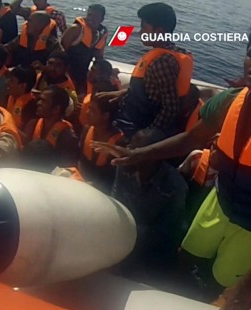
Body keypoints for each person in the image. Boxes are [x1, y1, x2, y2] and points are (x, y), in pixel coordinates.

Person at [93, 21, 251, 310]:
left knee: (219, 283)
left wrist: (249, 285)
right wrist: (137, 154)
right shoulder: (228, 101)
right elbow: (191, 139)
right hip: (218, 202)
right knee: (184, 260)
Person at [112, 128, 188, 285]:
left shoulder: (175, 186)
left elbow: (165, 234)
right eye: (129, 146)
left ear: (153, 157)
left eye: (135, 151)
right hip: (122, 244)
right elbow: (116, 200)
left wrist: (126, 231)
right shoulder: (124, 167)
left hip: (152, 261)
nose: (128, 153)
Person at [108, 2, 194, 139]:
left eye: (143, 27)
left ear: (159, 31)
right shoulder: (169, 53)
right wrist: (121, 94)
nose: (140, 31)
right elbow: (152, 92)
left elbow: (171, 107)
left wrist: (147, 135)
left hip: (138, 128)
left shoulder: (161, 62)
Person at [79, 93, 123, 194]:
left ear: (105, 116)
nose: (87, 112)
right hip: (82, 187)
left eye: (92, 110)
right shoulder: (86, 129)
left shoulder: (119, 142)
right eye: (88, 108)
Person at [24, 85, 78, 167]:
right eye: (40, 99)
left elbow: (67, 169)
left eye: (44, 101)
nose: (38, 103)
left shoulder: (68, 137)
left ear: (56, 109)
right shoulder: (32, 124)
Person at [60, 4, 107, 94]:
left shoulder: (101, 34)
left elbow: (99, 58)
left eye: (95, 16)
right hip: (65, 73)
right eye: (89, 15)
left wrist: (108, 73)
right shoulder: (76, 29)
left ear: (101, 20)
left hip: (82, 74)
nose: (91, 19)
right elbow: (59, 53)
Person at [6, 65, 37, 130]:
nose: (7, 82)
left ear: (23, 86)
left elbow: (27, 138)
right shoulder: (9, 96)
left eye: (12, 80)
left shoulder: (31, 106)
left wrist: (7, 126)